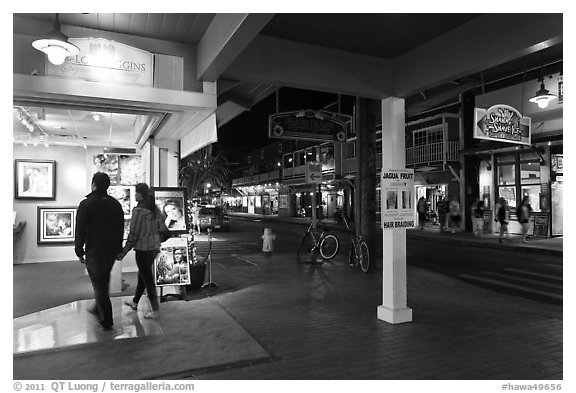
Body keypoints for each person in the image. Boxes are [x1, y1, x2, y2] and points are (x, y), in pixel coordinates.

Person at [75, 172, 124, 331]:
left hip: (94, 250)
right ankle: (98, 308)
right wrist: (118, 249)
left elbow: (80, 229)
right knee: (103, 282)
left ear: (94, 184)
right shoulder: (115, 204)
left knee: (99, 285)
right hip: (110, 251)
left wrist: (79, 249)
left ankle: (107, 320)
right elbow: (120, 229)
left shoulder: (87, 204)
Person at [117, 183, 164, 319]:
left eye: (136, 192)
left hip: (143, 249)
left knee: (147, 278)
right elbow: (162, 228)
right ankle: (135, 302)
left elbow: (133, 234)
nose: (134, 195)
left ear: (141, 194)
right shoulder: (154, 209)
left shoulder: (138, 212)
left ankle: (155, 310)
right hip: (154, 248)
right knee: (142, 275)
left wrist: (123, 252)